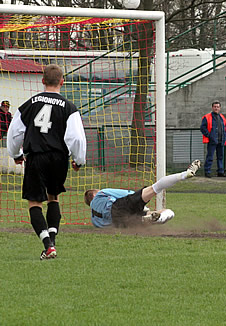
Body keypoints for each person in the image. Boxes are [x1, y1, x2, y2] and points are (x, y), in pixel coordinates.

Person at [6, 64, 87, 260]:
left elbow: (15, 132)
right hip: (59, 158)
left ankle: (47, 245)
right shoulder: (69, 107)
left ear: (43, 81)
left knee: (34, 202)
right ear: (62, 82)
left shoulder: (28, 105)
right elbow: (76, 138)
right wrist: (79, 160)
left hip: (36, 156)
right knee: (53, 197)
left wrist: (15, 154)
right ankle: (52, 242)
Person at [84, 160, 201, 228]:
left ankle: (148, 218)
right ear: (94, 195)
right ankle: (185, 174)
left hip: (119, 222)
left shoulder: (94, 221)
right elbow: (127, 193)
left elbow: (106, 227)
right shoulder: (101, 194)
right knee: (155, 188)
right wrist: (140, 200)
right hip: (118, 207)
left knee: (151, 215)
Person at [200, 101, 226, 178]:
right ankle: (207, 171)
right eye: (215, 107)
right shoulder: (207, 117)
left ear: (220, 108)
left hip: (221, 140)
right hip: (212, 140)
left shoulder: (222, 117)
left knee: (220, 157)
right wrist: (209, 136)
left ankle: (220, 171)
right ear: (212, 108)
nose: (216, 108)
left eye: (218, 107)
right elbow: (203, 128)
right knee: (210, 156)